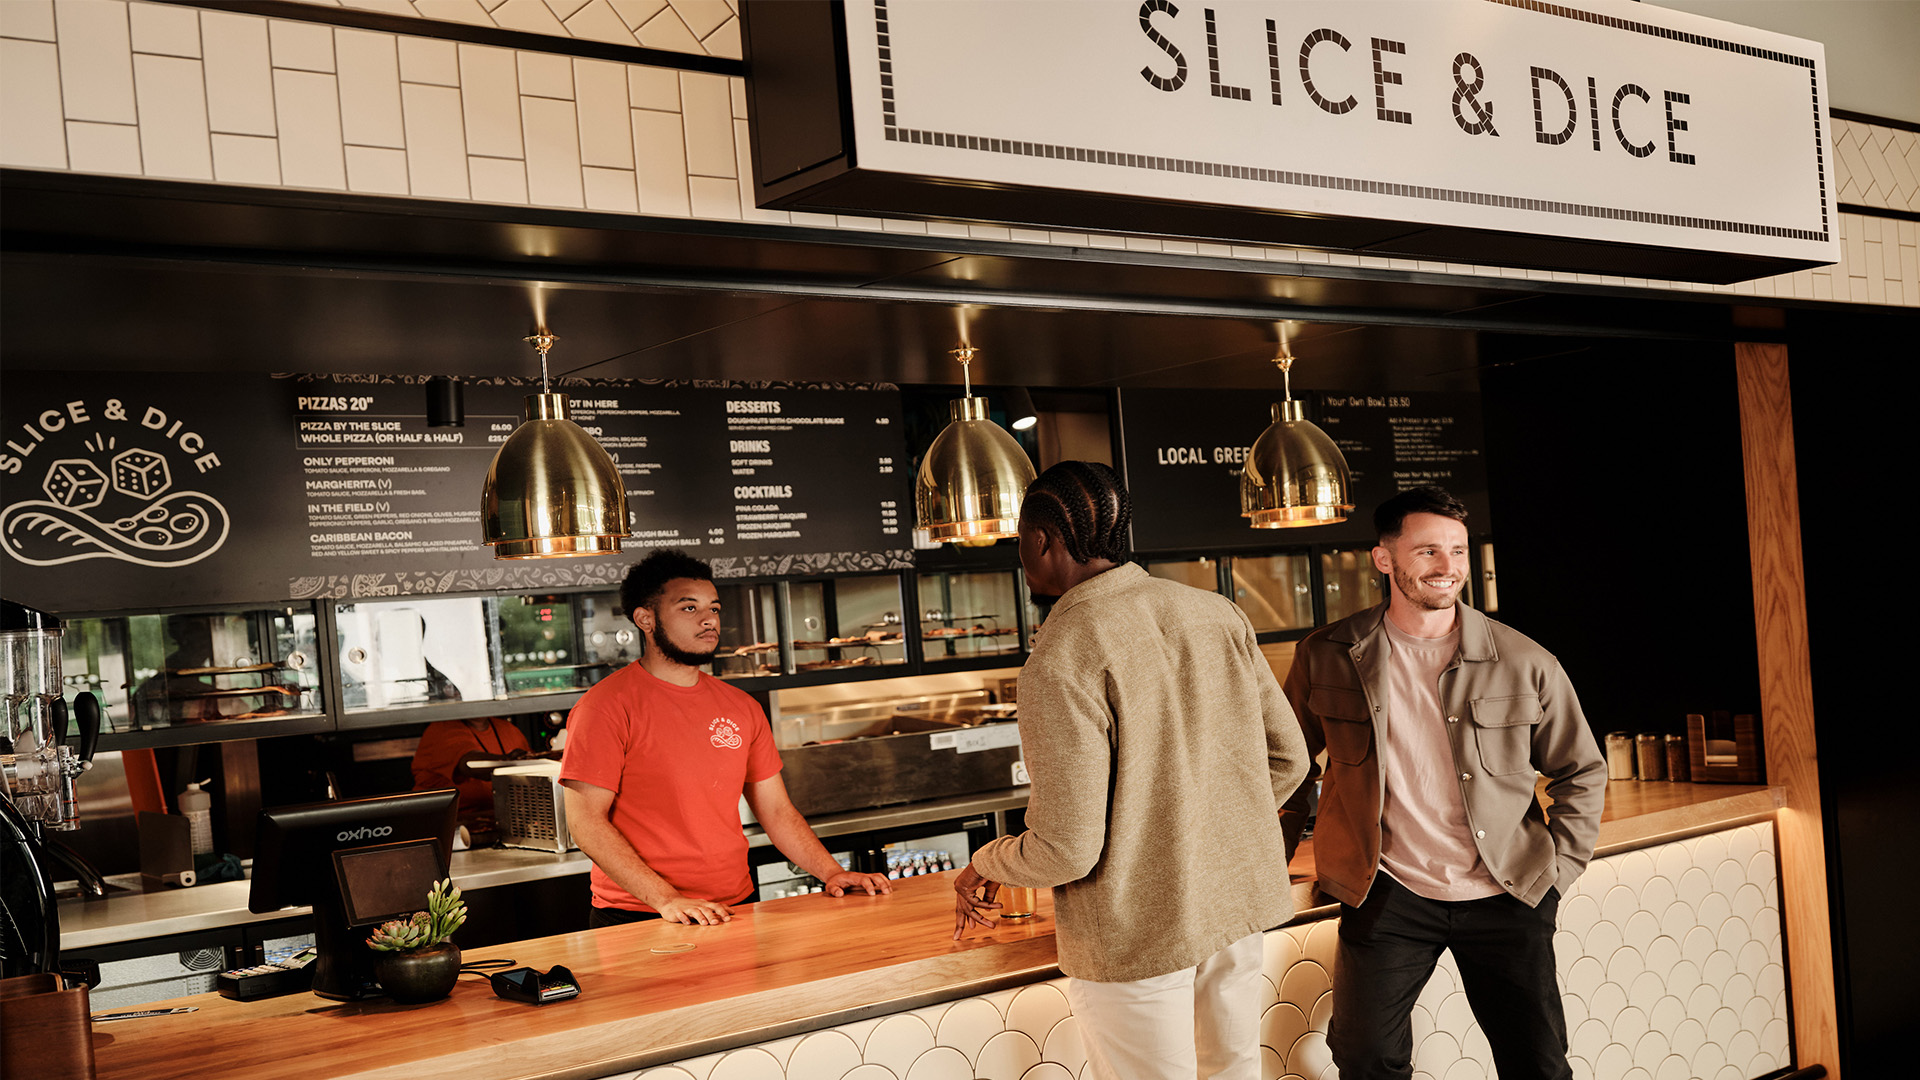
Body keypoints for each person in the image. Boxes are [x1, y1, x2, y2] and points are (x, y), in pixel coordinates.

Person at [952, 461, 1309, 1080]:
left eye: (1019, 541)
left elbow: (1067, 849)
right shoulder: (1216, 612)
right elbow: (1290, 758)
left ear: (1041, 541)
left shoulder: (1062, 653)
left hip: (1136, 934)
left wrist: (986, 862)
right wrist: (1205, 825)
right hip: (1234, 910)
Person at [1279, 486, 1606, 1080]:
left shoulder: (1525, 660)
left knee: (1537, 1062)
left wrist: (1559, 872)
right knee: (1364, 1055)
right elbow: (1285, 767)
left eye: (1457, 551)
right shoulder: (1327, 654)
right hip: (1388, 891)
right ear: (1386, 559)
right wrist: (1269, 863)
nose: (1448, 567)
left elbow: (1581, 768)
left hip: (1506, 891)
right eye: (1428, 551)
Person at [560, 550, 891, 926]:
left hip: (736, 906)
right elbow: (586, 823)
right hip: (641, 913)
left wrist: (830, 871)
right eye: (689, 608)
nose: (708, 620)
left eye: (714, 609)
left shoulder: (741, 707)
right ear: (645, 619)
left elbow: (776, 810)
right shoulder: (605, 706)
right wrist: (667, 899)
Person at [410, 715, 535, 821]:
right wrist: (508, 761)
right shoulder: (441, 729)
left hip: (503, 825)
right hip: (447, 828)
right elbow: (470, 765)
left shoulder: (509, 729)